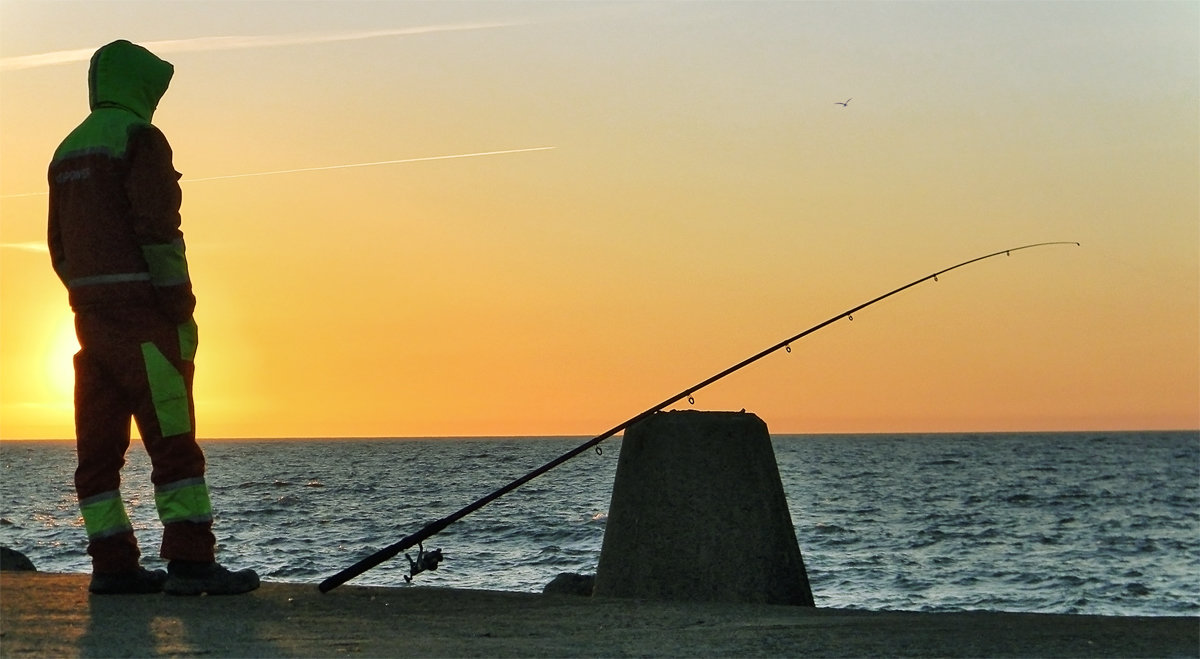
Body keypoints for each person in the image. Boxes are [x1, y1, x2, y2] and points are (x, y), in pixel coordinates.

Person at [47, 39, 258, 596]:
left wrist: (86, 297)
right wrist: (179, 306)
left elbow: (59, 249)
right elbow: (159, 230)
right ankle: (191, 563)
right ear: (140, 86)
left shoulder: (66, 150)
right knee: (173, 441)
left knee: (97, 452)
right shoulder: (140, 140)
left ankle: (111, 566)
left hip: (89, 322)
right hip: (146, 318)